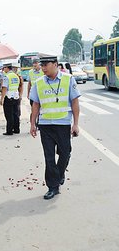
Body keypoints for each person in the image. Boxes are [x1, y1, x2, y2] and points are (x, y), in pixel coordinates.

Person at [29, 56, 80, 200]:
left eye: (46, 65)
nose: (43, 68)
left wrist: (75, 124)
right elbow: (35, 105)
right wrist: (32, 124)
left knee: (65, 153)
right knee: (49, 157)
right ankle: (53, 187)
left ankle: (60, 173)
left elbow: (75, 102)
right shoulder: (39, 83)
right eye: (42, 65)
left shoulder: (68, 80)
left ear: (55, 64)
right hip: (45, 125)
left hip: (63, 124)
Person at [0, 63, 20, 135]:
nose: (3, 69)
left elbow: (4, 88)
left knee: (9, 115)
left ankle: (9, 131)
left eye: (4, 68)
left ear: (6, 68)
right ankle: (17, 129)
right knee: (16, 114)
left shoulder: (7, 76)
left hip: (9, 97)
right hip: (16, 96)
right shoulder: (16, 76)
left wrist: (2, 99)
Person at [27, 58, 44, 125]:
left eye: (36, 63)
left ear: (39, 64)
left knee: (41, 110)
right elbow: (29, 83)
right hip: (33, 94)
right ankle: (32, 124)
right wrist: (28, 93)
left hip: (42, 94)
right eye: (34, 63)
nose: (35, 65)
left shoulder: (43, 71)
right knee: (33, 110)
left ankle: (39, 124)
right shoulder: (30, 72)